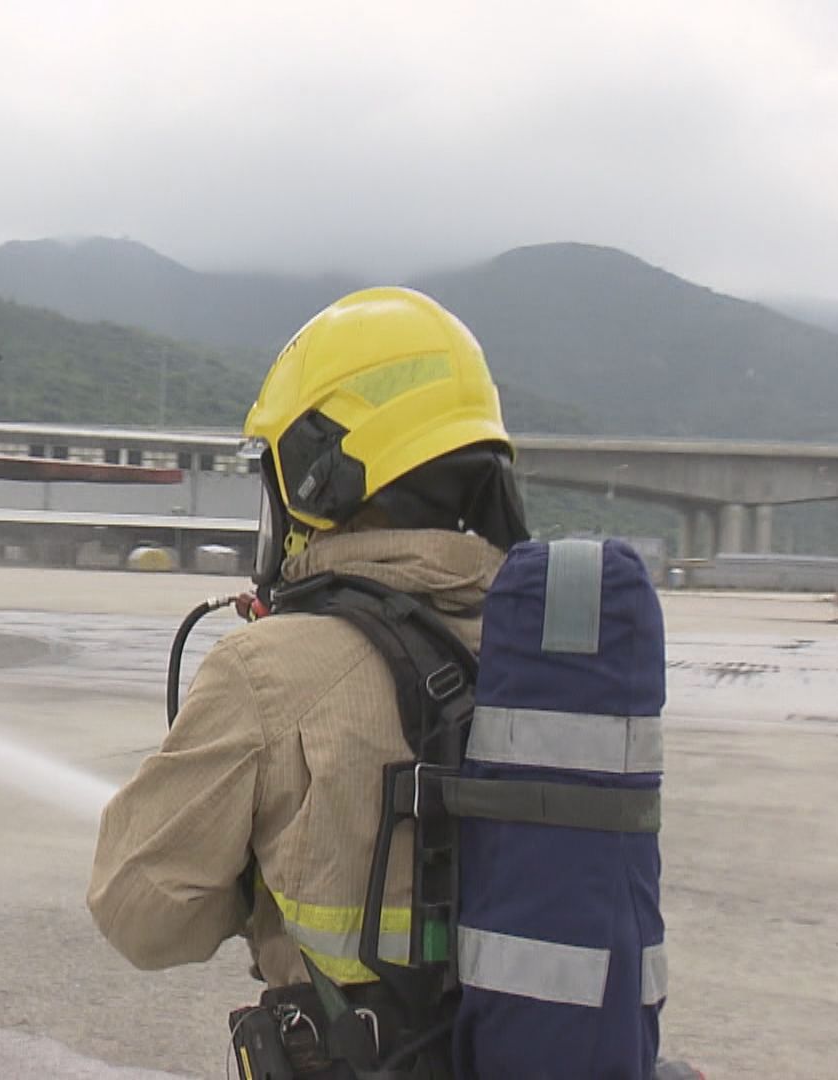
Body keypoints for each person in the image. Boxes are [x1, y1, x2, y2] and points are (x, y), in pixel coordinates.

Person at [87, 286, 530, 1069]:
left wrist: (249, 880)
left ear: (319, 470)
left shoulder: (267, 672)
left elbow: (138, 914)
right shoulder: (547, 658)